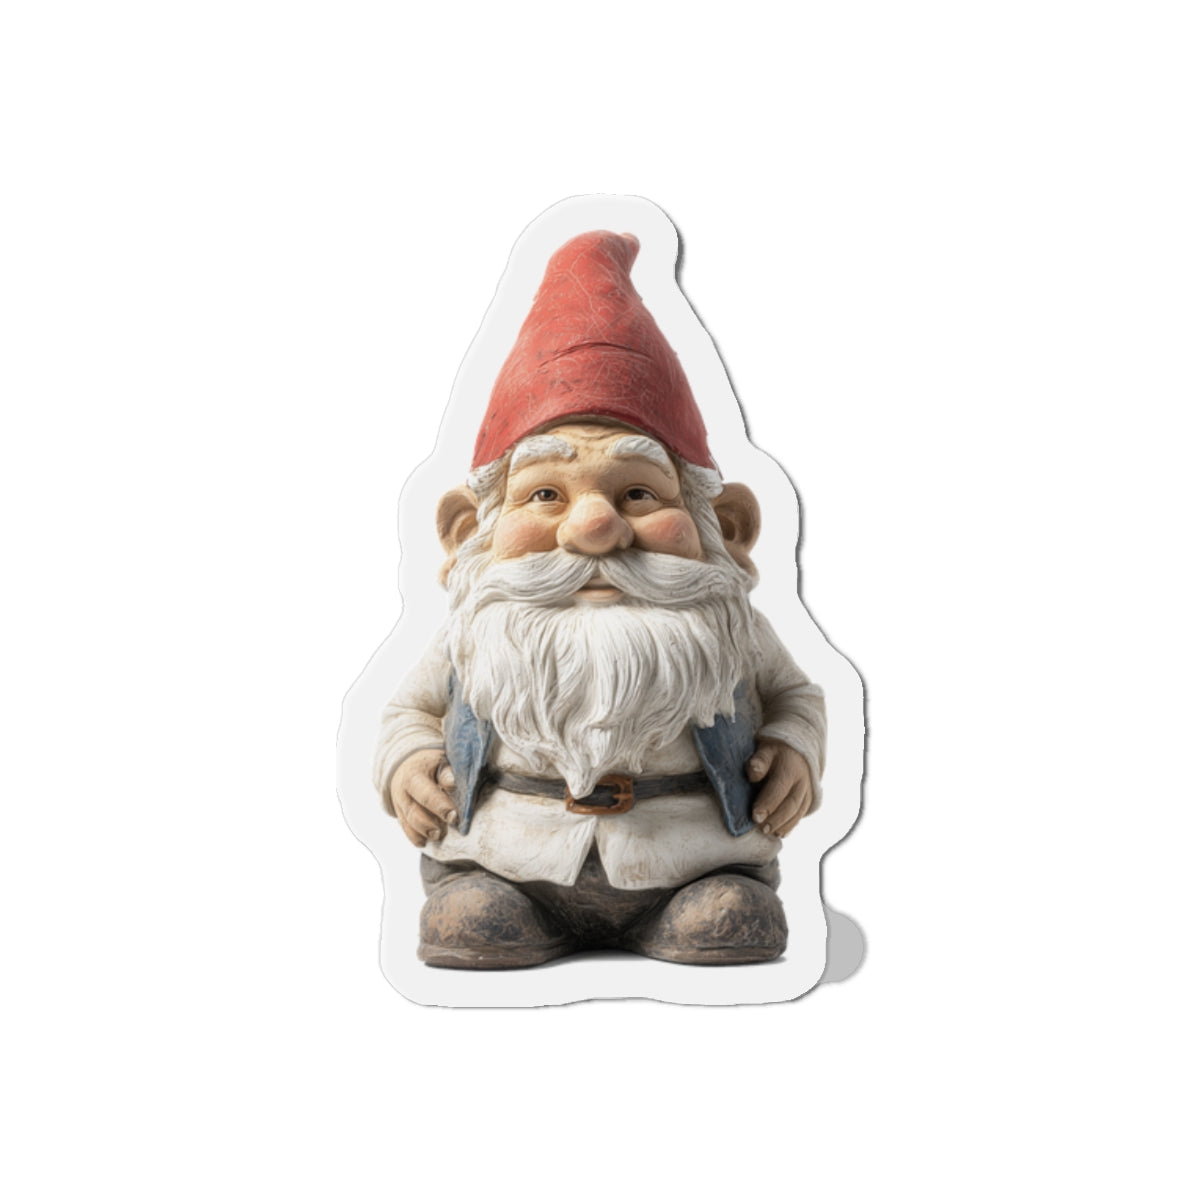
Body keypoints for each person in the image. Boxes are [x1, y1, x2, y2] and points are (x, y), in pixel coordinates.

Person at [374, 231, 826, 968]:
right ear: (465, 534)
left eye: (638, 493)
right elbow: (410, 711)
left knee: (728, 916)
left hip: (692, 866)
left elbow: (795, 696)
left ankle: (694, 908)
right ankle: (503, 905)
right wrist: (408, 762)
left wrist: (794, 749)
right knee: (473, 919)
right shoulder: (479, 632)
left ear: (727, 529)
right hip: (503, 864)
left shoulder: (726, 630)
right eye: (545, 495)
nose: (592, 529)